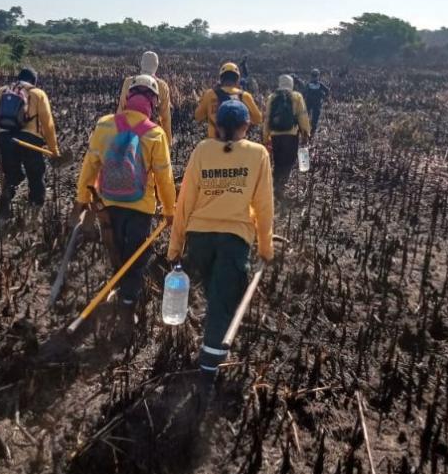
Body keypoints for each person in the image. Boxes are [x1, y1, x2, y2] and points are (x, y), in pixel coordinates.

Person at [167, 100, 274, 384]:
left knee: (216, 295)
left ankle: (210, 341)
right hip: (234, 240)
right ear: (245, 126)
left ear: (216, 126)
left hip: (198, 239)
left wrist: (175, 247)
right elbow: (263, 206)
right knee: (222, 304)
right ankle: (208, 371)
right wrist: (266, 248)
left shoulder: (202, 150)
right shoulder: (258, 153)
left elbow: (184, 201)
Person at [74, 75, 176, 307]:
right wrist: (169, 210)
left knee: (115, 245)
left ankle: (118, 281)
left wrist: (83, 197)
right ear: (153, 102)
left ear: (128, 97)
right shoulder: (156, 134)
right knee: (137, 252)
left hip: (108, 201)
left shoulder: (105, 124)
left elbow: (90, 164)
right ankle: (129, 296)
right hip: (141, 205)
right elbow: (164, 177)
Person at [0, 66, 60, 215]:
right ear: (34, 81)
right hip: (31, 140)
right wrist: (53, 149)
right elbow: (48, 124)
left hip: (5, 138)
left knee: (11, 175)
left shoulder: (3, 91)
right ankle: (35, 211)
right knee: (35, 175)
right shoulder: (38, 93)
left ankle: (7, 197)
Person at [262, 75, 311, 200]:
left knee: (278, 162)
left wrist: (265, 137)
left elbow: (267, 119)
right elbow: (303, 116)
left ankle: (274, 185)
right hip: (291, 135)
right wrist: (306, 133)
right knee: (288, 162)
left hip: (275, 136)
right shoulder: (297, 96)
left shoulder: (271, 98)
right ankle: (280, 187)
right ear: (291, 84)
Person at [193, 62, 263, 139]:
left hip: (214, 142)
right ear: (237, 80)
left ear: (221, 79)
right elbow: (258, 119)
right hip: (238, 143)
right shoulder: (245, 96)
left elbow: (198, 116)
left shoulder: (210, 94)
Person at [116, 51, 173, 144]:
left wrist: (117, 134)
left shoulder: (129, 82)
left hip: (129, 132)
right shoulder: (162, 86)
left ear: (141, 63)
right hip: (151, 133)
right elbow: (165, 117)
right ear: (156, 66)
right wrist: (168, 141)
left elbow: (121, 108)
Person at [302, 68, 331, 133]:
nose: (314, 77)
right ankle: (308, 129)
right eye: (313, 76)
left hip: (315, 103)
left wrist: (324, 97)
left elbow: (327, 91)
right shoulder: (313, 84)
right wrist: (324, 97)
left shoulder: (317, 84)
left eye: (315, 76)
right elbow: (303, 93)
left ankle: (312, 130)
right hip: (311, 103)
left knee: (314, 118)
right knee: (308, 116)